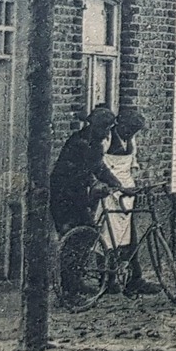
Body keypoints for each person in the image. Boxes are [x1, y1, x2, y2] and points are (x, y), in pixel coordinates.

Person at [51, 105, 132, 296]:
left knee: (77, 237)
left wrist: (103, 184)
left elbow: (90, 168)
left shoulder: (80, 139)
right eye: (105, 128)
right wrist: (118, 186)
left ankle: (72, 283)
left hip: (69, 194)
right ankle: (71, 286)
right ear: (97, 127)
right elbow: (98, 168)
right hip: (67, 197)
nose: (106, 133)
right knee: (84, 235)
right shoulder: (87, 144)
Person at [103, 108, 160, 296]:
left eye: (134, 131)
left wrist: (138, 181)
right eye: (129, 129)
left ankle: (134, 279)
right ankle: (108, 279)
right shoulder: (108, 138)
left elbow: (132, 164)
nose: (131, 134)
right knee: (108, 236)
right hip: (110, 192)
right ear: (120, 124)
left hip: (127, 193)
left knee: (128, 235)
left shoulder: (130, 140)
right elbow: (99, 165)